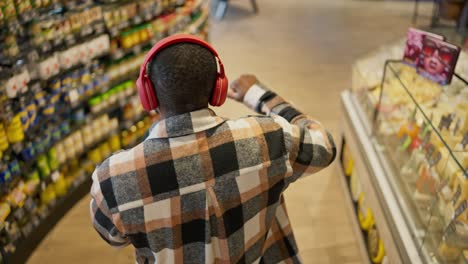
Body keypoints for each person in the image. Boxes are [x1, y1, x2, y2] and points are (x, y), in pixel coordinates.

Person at [90, 34, 336, 263]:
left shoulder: (112, 179)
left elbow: (111, 235)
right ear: (218, 90)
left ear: (148, 96)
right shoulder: (270, 138)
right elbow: (324, 146)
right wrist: (261, 96)